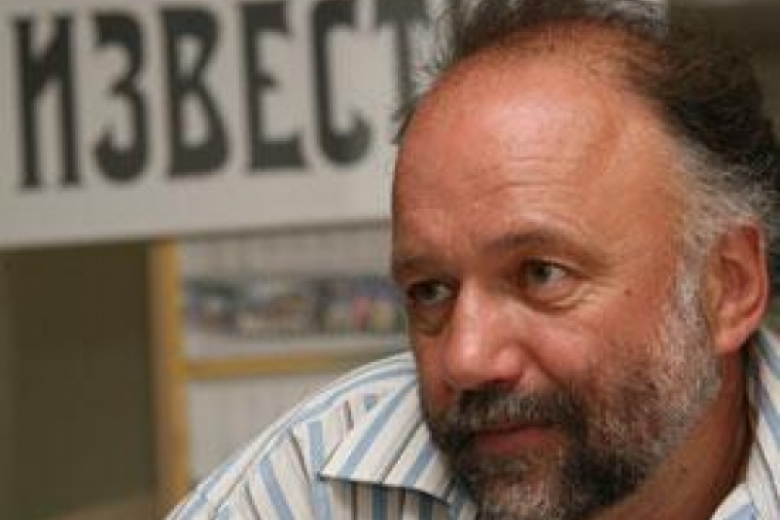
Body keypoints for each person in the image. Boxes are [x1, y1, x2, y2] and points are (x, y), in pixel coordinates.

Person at [167, 0, 780, 518]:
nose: (467, 360)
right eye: (430, 290)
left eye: (541, 274)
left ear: (728, 287)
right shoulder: (305, 494)